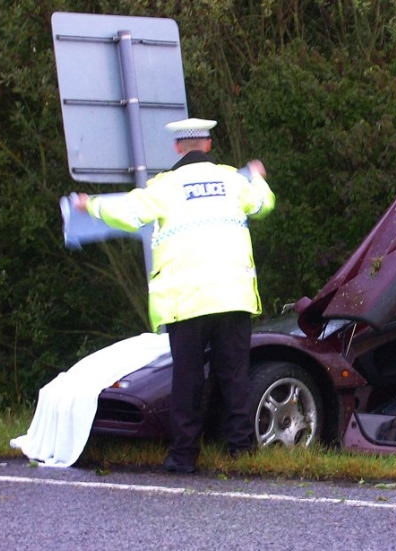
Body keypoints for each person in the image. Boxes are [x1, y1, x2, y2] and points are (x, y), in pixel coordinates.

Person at [74, 117, 275, 473]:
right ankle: (241, 452)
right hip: (232, 297)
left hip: (187, 303)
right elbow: (263, 205)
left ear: (178, 147)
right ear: (209, 145)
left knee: (187, 380)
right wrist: (256, 174)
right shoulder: (233, 181)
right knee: (235, 377)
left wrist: (90, 205)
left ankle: (184, 456)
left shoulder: (165, 187)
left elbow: (130, 213)